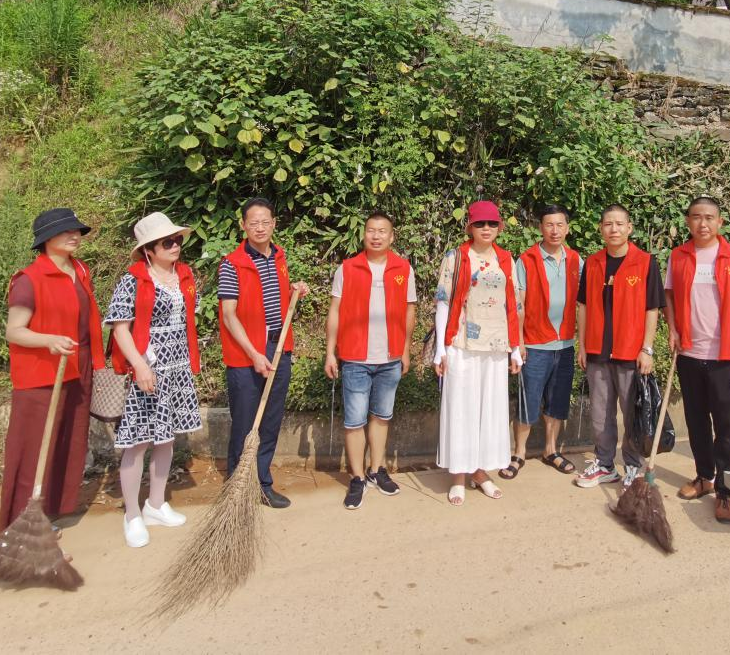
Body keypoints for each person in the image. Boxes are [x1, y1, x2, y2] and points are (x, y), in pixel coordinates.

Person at [0, 208, 103, 534]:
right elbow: (14, 331)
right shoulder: (29, 280)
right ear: (46, 239)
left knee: (67, 442)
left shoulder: (79, 270)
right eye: (66, 231)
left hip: (76, 367)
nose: (75, 235)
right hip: (42, 374)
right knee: (33, 448)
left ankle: (49, 512)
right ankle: (22, 524)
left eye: (77, 231)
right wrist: (48, 340)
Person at [663, 196, 730, 524]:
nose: (703, 223)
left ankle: (725, 491)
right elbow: (669, 296)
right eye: (696, 217)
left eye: (709, 217)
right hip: (690, 353)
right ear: (688, 221)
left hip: (727, 355)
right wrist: (672, 329)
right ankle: (704, 477)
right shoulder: (678, 256)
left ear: (720, 222)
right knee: (696, 422)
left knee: (726, 426)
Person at [105, 212, 202, 548]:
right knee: (138, 441)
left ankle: (156, 504)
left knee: (166, 439)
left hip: (178, 367)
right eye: (166, 242)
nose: (175, 246)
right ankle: (132, 514)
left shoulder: (185, 275)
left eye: (177, 240)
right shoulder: (132, 280)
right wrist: (139, 365)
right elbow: (120, 329)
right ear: (148, 250)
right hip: (147, 368)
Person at [218, 197, 310, 508]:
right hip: (246, 353)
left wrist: (294, 291)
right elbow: (229, 315)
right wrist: (254, 354)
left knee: (270, 420)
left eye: (265, 222)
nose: (260, 228)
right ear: (243, 226)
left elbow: (274, 299)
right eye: (253, 222)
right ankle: (236, 489)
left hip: (278, 347)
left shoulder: (279, 257)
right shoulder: (231, 264)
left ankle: (262, 484)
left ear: (274, 224)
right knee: (245, 422)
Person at [325, 212, 418, 510]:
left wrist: (405, 349)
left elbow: (410, 311)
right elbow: (335, 310)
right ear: (363, 234)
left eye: (382, 231)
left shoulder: (403, 269)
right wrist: (330, 351)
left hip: (390, 357)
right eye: (371, 231)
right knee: (354, 420)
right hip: (355, 357)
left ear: (392, 236)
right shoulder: (347, 268)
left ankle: (376, 470)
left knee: (381, 416)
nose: (376, 236)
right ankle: (357, 478)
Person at [434, 200, 523, 506]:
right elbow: (443, 301)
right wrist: (440, 349)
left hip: (496, 346)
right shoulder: (456, 257)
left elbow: (514, 304)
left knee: (489, 410)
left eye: (492, 223)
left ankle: (480, 471)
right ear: (469, 227)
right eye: (480, 223)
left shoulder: (506, 259)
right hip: (461, 344)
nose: (486, 228)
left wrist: (515, 349)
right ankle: (458, 475)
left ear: (500, 227)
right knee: (462, 409)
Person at [575, 204, 664, 489]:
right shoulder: (593, 263)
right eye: (608, 224)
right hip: (597, 350)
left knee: (632, 412)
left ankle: (633, 466)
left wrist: (647, 349)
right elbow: (583, 306)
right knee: (600, 414)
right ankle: (604, 464)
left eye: (619, 224)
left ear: (629, 228)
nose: (613, 229)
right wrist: (582, 345)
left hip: (630, 352)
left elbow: (652, 309)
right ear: (601, 229)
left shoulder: (645, 262)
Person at [504, 204, 580, 480]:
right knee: (528, 400)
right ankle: (519, 453)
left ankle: (551, 450)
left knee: (557, 402)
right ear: (540, 228)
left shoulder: (576, 260)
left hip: (565, 344)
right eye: (549, 225)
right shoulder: (527, 260)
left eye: (560, 225)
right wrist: (519, 342)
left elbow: (583, 303)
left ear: (567, 228)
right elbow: (519, 304)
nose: (555, 230)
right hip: (535, 344)